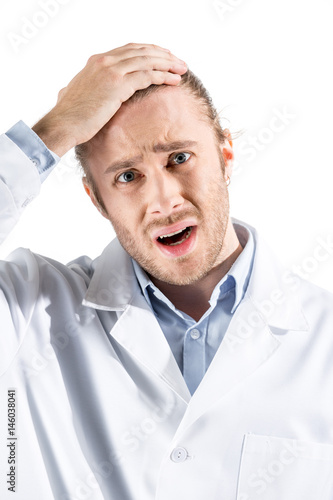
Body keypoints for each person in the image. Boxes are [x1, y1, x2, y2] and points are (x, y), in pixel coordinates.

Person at [1, 42, 333, 500]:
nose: (163, 201)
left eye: (178, 158)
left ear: (226, 154)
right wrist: (51, 132)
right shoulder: (29, 311)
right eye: (126, 176)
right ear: (96, 200)